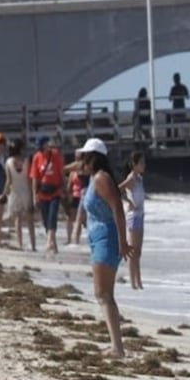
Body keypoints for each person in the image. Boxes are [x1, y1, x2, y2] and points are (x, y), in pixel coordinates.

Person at [78, 138, 132, 358]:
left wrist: (123, 242)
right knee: (105, 294)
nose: (81, 161)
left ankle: (117, 348)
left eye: (85, 157)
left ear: (94, 158)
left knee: (103, 294)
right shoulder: (94, 177)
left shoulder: (101, 178)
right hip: (99, 238)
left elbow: (118, 209)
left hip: (107, 239)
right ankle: (116, 345)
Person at [28, 135, 64, 255]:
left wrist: (64, 189)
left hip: (55, 191)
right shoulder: (36, 157)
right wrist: (34, 196)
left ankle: (49, 242)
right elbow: (34, 178)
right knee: (45, 219)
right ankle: (54, 245)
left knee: (52, 216)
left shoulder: (55, 155)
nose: (40, 149)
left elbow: (61, 173)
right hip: (42, 192)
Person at [2, 138, 36, 251]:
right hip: (26, 191)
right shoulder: (27, 161)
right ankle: (33, 245)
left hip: (14, 192)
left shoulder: (8, 162)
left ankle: (20, 244)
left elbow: (8, 181)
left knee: (18, 220)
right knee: (30, 219)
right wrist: (33, 195)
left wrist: (4, 194)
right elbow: (29, 179)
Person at [119, 151, 146, 290]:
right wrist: (127, 200)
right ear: (134, 165)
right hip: (133, 215)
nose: (143, 165)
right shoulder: (131, 178)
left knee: (138, 251)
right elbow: (118, 189)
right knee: (133, 250)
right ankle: (133, 282)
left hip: (140, 214)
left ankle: (139, 280)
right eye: (141, 163)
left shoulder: (139, 178)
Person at [62, 149, 83, 245]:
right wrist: (67, 195)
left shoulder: (85, 168)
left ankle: (77, 239)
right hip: (75, 196)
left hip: (83, 195)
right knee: (69, 217)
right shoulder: (72, 172)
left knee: (81, 218)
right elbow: (69, 185)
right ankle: (69, 238)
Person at [169, 72, 189, 139]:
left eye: (176, 79)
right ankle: (176, 136)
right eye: (175, 79)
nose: (175, 80)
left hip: (181, 107)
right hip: (176, 107)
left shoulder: (183, 87)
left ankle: (185, 136)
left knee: (183, 121)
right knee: (175, 122)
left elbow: (187, 96)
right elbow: (170, 98)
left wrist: (182, 94)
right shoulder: (173, 88)